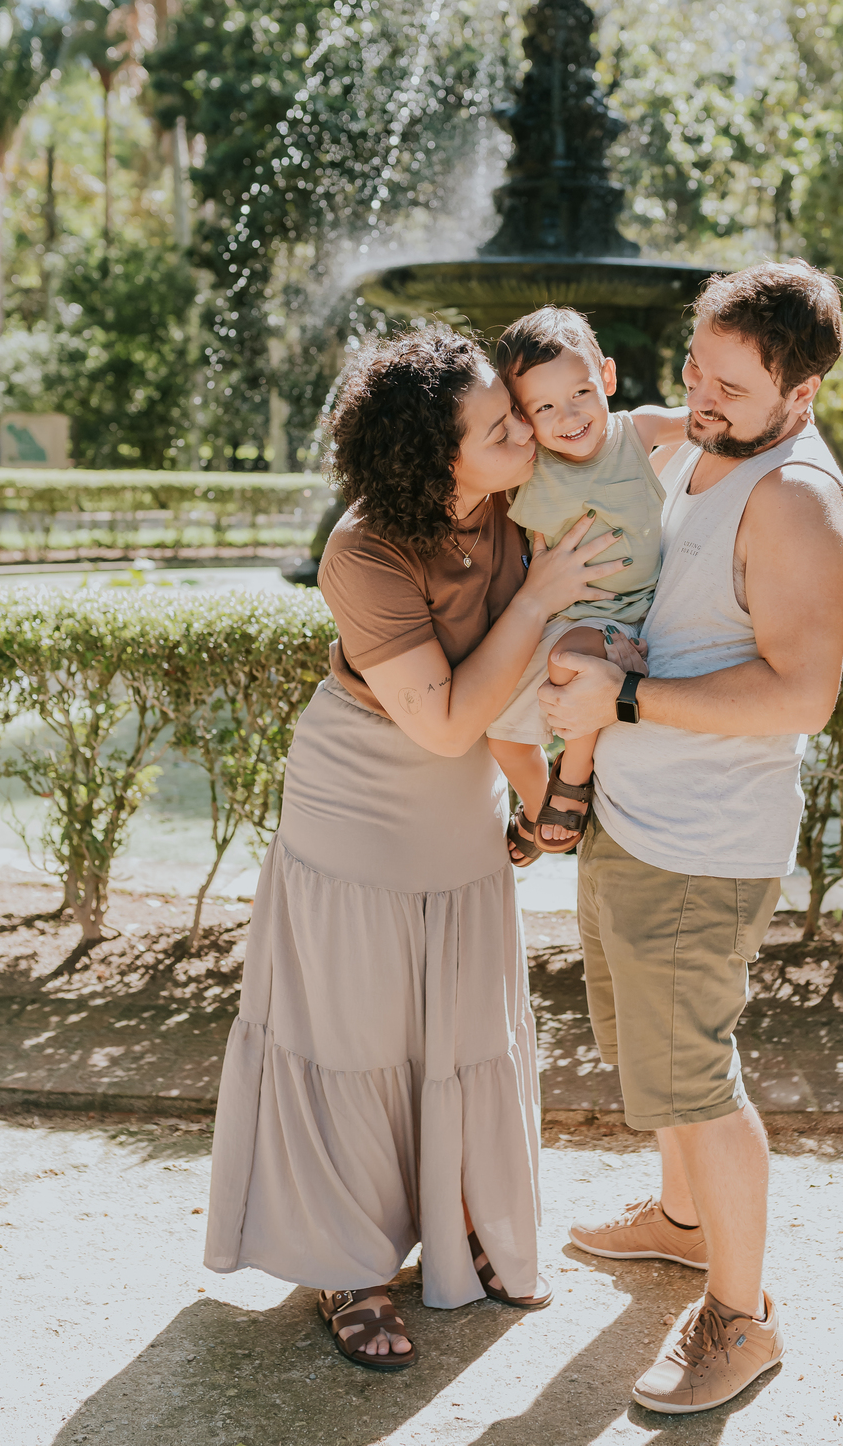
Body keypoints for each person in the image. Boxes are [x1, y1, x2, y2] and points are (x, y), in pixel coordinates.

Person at [204, 326, 624, 1370]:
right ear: (437, 460)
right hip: (359, 803)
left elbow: (514, 699)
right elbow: (438, 719)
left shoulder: (524, 504)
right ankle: (348, 1265)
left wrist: (536, 800)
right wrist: (538, 597)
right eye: (498, 426)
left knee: (464, 1023)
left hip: (461, 808)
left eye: (515, 414)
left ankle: (468, 1218)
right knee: (354, 1036)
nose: (526, 431)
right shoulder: (364, 549)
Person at [538, 260, 843, 1416]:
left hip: (702, 845)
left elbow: (800, 695)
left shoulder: (795, 501)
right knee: (650, 1053)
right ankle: (681, 1224)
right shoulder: (706, 451)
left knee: (698, 1075)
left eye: (729, 383)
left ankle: (743, 1317)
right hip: (638, 819)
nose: (703, 396)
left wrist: (622, 702)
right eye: (694, 367)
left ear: (803, 394)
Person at [484, 306, 689, 860]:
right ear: (521, 417)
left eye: (580, 393)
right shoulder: (525, 465)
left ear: (607, 376)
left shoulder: (637, 431)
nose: (568, 415)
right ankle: (535, 809)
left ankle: (574, 778)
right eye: (543, 406)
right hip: (550, 618)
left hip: (618, 616)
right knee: (501, 734)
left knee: (569, 661)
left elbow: (707, 419)